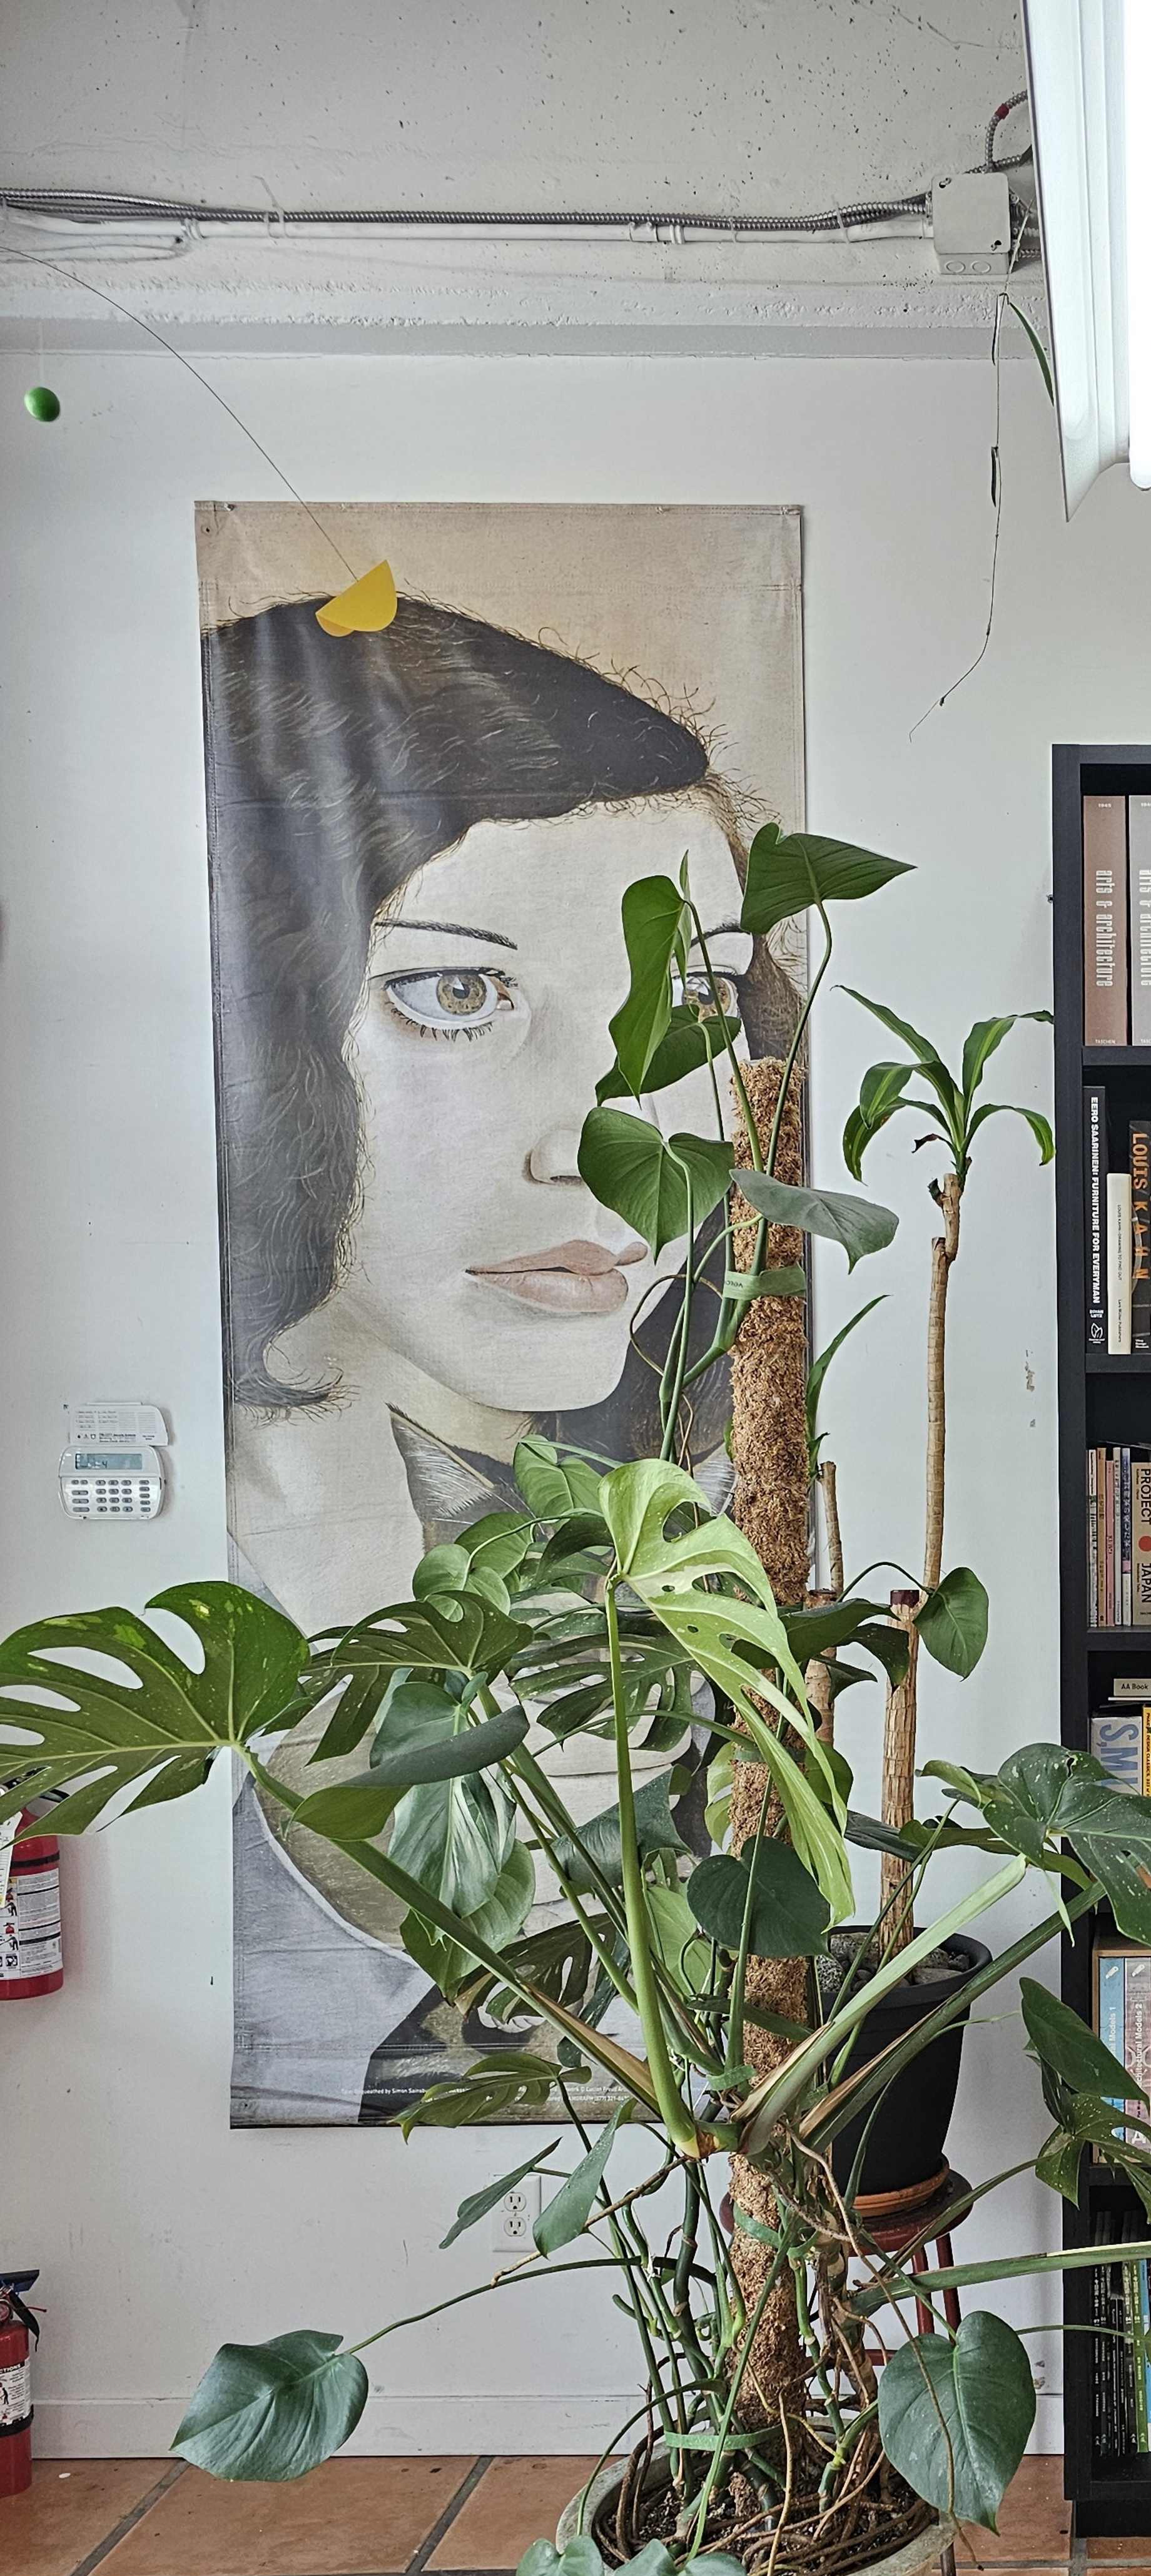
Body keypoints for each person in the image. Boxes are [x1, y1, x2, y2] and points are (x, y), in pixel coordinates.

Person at [201, 596, 796, 2120]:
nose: (611, 1144)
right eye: (459, 993)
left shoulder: (720, 1513)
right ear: (259, 1024)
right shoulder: (209, 1561)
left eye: (694, 1003)